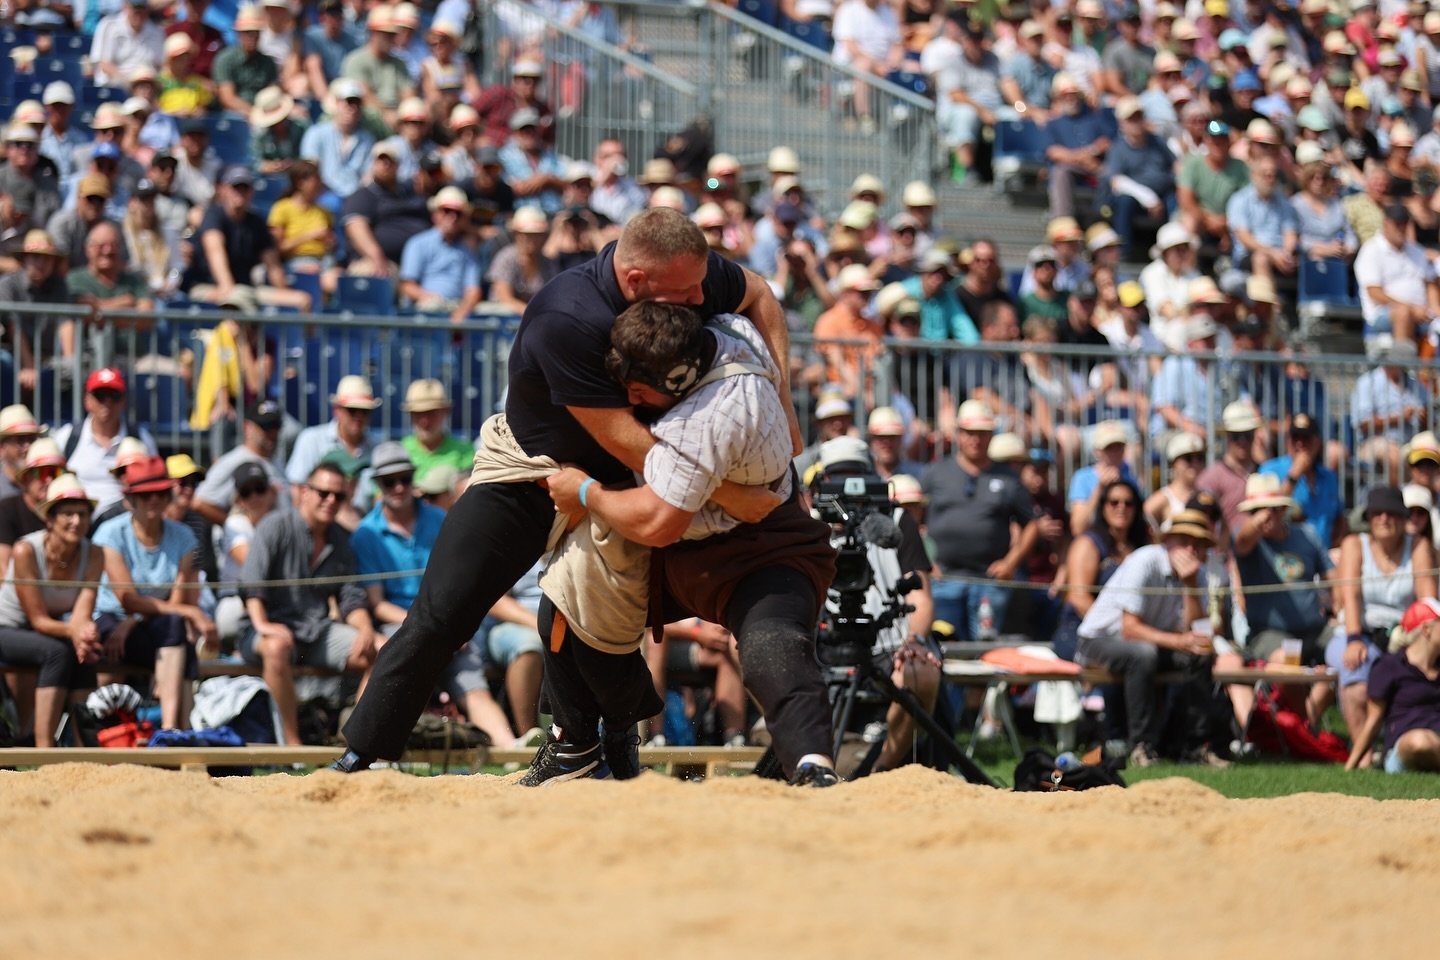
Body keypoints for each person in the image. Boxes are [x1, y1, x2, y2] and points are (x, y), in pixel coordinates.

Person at [333, 207, 800, 775]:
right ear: (637, 281)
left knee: (595, 616)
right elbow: (627, 440)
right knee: (443, 610)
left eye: (700, 286)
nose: (702, 299)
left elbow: (759, 294)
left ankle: (597, 744)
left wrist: (783, 404)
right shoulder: (568, 316)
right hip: (533, 468)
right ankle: (363, 753)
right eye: (686, 293)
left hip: (620, 482)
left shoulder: (683, 273)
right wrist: (727, 494)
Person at [539, 302, 839, 785]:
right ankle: (585, 744)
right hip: (676, 554)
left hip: (759, 549)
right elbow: (756, 290)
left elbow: (657, 522)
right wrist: (784, 402)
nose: (628, 397)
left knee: (771, 643)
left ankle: (812, 765)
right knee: (567, 601)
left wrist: (585, 491)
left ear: (677, 379)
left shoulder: (704, 419)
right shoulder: (729, 330)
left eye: (639, 391)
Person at [350, 442, 522, 747]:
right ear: (378, 485)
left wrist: (454, 623)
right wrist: (429, 626)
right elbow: (378, 605)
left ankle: (513, 748)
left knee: (474, 691)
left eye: (405, 479)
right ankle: (358, 749)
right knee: (387, 668)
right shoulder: (366, 533)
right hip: (402, 627)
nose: (399, 487)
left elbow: (461, 581)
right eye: (390, 481)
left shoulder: (440, 518)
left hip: (447, 626)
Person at [240, 462, 379, 744]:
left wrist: (366, 629)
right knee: (276, 646)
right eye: (323, 493)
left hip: (315, 632)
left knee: (384, 650)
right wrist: (264, 624)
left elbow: (351, 598)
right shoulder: (274, 525)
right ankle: (292, 748)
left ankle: (355, 743)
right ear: (304, 492)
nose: (331, 501)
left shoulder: (342, 539)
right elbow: (251, 583)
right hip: (263, 629)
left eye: (339, 496)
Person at [1075, 508, 1225, 767]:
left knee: (1199, 656)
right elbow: (1129, 629)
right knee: (1143, 654)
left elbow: (1195, 630)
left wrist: (1190, 585)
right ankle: (1142, 746)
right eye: (1184, 541)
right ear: (1167, 542)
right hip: (1098, 640)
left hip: (1150, 642)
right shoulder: (1145, 561)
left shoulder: (1197, 574)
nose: (1191, 549)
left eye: (1199, 544)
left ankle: (1194, 746)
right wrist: (1180, 641)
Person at [92, 456, 216, 730]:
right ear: (130, 500)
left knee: (174, 628)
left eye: (160, 493)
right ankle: (170, 729)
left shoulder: (184, 536)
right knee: (175, 636)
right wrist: (192, 613)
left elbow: (175, 601)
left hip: (148, 624)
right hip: (111, 619)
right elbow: (127, 599)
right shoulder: (109, 533)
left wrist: (133, 620)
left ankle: (169, 731)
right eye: (145, 495)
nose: (154, 500)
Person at [1323, 487, 1436, 749]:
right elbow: (1350, 596)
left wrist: (1418, 645)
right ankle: (1364, 757)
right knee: (1356, 682)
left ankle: (1398, 746)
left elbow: (1427, 602)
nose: (1384, 519)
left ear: (1402, 518)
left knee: (1417, 679)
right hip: (1359, 632)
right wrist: (1353, 639)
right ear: (1369, 518)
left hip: (1406, 636)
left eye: (1391, 513)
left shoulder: (1418, 545)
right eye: (1378, 513)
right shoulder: (1354, 544)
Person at [922, 399, 1038, 641]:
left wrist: (1011, 563)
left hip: (989, 581)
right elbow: (914, 520)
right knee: (944, 646)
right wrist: (925, 560)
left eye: (982, 433)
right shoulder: (935, 474)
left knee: (985, 649)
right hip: (944, 578)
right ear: (958, 434)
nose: (976, 439)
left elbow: (1031, 524)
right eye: (970, 433)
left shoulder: (1008, 478)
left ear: (991, 435)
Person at [0, 475, 101, 747]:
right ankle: (44, 748)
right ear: (50, 520)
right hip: (7, 629)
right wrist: (77, 633)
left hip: (48, 632)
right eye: (68, 514)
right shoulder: (25, 550)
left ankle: (85, 749)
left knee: (83, 655)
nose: (76, 521)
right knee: (57, 652)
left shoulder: (95, 554)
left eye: (82, 514)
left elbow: (82, 612)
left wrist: (84, 634)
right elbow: (38, 620)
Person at [1055, 478, 1152, 663]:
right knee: (1142, 655)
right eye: (1114, 502)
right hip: (1084, 633)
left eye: (1128, 503)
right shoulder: (1088, 544)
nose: (1121, 508)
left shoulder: (1142, 546)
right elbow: (1079, 598)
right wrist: (1119, 628)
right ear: (1103, 506)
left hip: (1131, 633)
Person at [1345, 597, 1440, 773]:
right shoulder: (1389, 666)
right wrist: (1351, 765)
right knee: (1418, 741)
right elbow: (1373, 721)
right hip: (1404, 748)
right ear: (1427, 629)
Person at [50, 368, 158, 520]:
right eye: (100, 396)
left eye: (114, 396)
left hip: (127, 521)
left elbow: (153, 484)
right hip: (78, 521)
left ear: (123, 401)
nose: (107, 403)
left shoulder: (142, 439)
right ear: (87, 400)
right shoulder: (67, 437)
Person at [285, 376, 383, 514]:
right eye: (352, 410)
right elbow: (297, 490)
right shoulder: (311, 440)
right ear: (337, 410)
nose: (359, 416)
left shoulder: (378, 449)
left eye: (365, 411)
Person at [1257, 413, 1345, 551]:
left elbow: (1339, 519)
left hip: (1322, 555)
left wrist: (1337, 546)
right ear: (1288, 441)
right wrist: (1294, 475)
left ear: (1317, 442)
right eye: (1295, 438)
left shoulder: (1329, 477)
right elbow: (1267, 515)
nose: (1300, 444)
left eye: (1305, 438)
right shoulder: (1270, 470)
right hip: (1285, 554)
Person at [214, 461, 279, 644]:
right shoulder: (234, 524)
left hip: (274, 601)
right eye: (246, 492)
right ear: (238, 499)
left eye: (260, 489)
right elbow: (253, 566)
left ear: (271, 492)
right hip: (235, 601)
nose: (254, 497)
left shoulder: (281, 523)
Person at [398, 186, 481, 322]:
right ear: (435, 214)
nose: (452, 217)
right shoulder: (418, 244)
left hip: (457, 307)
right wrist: (430, 298)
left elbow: (473, 291)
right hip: (426, 310)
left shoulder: (468, 250)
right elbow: (407, 286)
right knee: (432, 307)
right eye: (446, 210)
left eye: (458, 213)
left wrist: (462, 312)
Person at [0, 436, 65, 575]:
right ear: (26, 479)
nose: (49, 480)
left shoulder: (73, 513)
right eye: (42, 473)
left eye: (55, 472)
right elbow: (2, 568)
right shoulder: (5, 510)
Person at [1145, 433, 1205, 532]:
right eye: (1188, 458)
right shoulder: (1163, 498)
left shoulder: (1207, 497)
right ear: (1173, 462)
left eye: (1200, 458)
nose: (1195, 463)